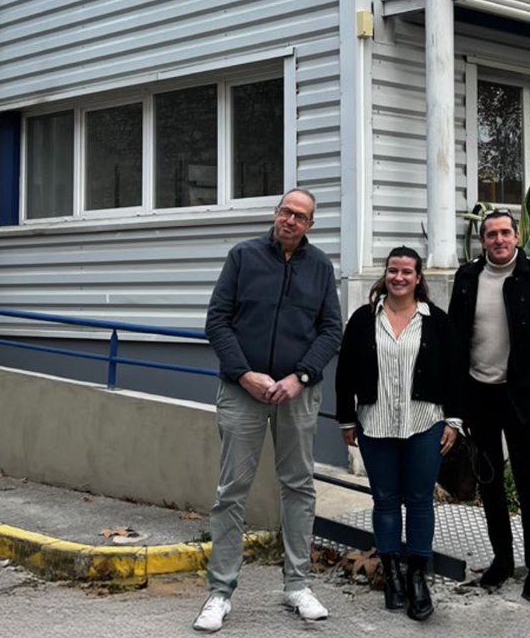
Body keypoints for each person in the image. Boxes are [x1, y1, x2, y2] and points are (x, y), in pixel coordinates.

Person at [194, 188, 342, 633]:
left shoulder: (320, 267)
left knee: (298, 486)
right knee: (231, 491)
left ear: (310, 225)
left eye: (300, 215)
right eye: (285, 211)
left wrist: (301, 377)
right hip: (243, 391)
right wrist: (244, 374)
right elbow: (216, 321)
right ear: (275, 215)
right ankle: (219, 593)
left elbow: (331, 330)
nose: (290, 220)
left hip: (297, 393)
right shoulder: (243, 257)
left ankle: (297, 584)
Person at [447, 208, 530, 603]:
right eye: (490, 235)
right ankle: (502, 559)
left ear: (517, 236)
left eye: (505, 233)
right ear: (482, 240)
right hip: (478, 395)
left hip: (519, 397)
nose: (498, 240)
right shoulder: (467, 277)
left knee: (528, 481)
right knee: (490, 481)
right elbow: (455, 338)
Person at [335, 246, 460, 621]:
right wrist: (346, 420)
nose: (399, 278)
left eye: (407, 272)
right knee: (386, 500)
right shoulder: (363, 319)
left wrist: (454, 420)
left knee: (420, 501)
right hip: (375, 425)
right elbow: (345, 373)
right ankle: (392, 572)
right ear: (385, 275)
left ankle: (418, 576)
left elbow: (455, 371)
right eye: (393, 271)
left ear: (418, 278)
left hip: (424, 423)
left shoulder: (436, 320)